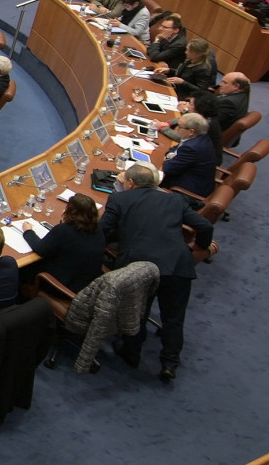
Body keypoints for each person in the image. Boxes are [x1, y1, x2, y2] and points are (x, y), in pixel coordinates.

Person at [101, 164, 214, 383]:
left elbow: (102, 231)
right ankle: (170, 364)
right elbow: (205, 227)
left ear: (131, 184)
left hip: (140, 266)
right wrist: (200, 248)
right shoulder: (175, 200)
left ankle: (131, 354)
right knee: (173, 318)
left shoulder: (120, 200)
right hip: (176, 266)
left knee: (138, 313)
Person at [18, 194, 105, 292]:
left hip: (61, 287)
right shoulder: (97, 230)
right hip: (84, 285)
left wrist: (28, 231)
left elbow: (40, 248)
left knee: (21, 269)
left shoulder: (64, 231)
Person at [159, 113, 217, 197]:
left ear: (191, 131)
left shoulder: (191, 148)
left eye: (179, 127)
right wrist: (170, 155)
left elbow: (168, 168)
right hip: (196, 180)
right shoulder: (200, 138)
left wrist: (168, 159)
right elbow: (175, 148)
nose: (176, 130)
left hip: (186, 191)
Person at [212, 72, 251, 142]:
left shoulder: (229, 103)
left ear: (236, 86)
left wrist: (189, 109)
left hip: (214, 135)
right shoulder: (243, 93)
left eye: (225, 82)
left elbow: (210, 121)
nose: (220, 84)